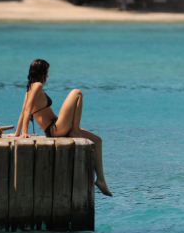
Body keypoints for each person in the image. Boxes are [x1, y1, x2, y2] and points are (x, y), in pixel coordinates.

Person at [12, 59, 112, 196]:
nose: (47, 76)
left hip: (57, 126)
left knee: (97, 140)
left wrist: (17, 133)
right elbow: (27, 109)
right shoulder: (37, 85)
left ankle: (101, 180)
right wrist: (24, 132)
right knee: (77, 92)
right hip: (55, 128)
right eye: (46, 72)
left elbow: (23, 111)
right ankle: (75, 131)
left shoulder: (29, 89)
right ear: (41, 72)